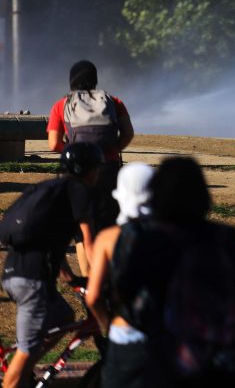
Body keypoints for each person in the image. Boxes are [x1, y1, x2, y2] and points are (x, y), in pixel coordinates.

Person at [112, 156, 235, 387]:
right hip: (223, 354)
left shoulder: (148, 240)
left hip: (169, 355)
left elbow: (126, 290)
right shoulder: (225, 236)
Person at [1, 142, 101, 388]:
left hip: (15, 272)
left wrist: (72, 279)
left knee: (63, 316)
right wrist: (101, 276)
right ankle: (18, 374)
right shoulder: (78, 190)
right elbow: (89, 241)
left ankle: (24, 371)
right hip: (31, 282)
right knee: (27, 349)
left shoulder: (49, 190)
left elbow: (48, 244)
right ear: (89, 170)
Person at [46, 59, 134, 273]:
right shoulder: (114, 102)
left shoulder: (61, 105)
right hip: (108, 170)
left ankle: (87, 283)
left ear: (71, 81)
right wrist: (111, 150)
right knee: (107, 226)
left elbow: (53, 144)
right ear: (95, 80)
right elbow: (129, 133)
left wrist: (74, 154)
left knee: (81, 231)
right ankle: (109, 280)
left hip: (77, 175)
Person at [85, 162, 158, 388]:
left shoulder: (108, 238)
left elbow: (93, 296)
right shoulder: (172, 234)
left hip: (124, 331)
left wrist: (107, 325)